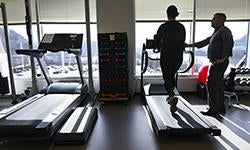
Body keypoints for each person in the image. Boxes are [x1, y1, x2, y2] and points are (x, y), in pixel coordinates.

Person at [186, 13, 234, 116]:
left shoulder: (225, 31)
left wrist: (223, 58)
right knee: (219, 85)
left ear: (220, 20)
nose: (211, 20)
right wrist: (190, 45)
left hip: (219, 62)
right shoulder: (216, 32)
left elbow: (229, 43)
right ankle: (220, 107)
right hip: (216, 62)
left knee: (211, 84)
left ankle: (213, 109)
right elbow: (205, 41)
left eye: (214, 18)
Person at [155, 5, 186, 113]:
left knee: (166, 77)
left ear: (167, 14)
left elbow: (157, 40)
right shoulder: (181, 27)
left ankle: (172, 96)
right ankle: (171, 96)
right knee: (171, 75)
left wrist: (157, 47)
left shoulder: (163, 27)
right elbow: (182, 41)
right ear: (176, 14)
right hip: (178, 56)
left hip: (167, 55)